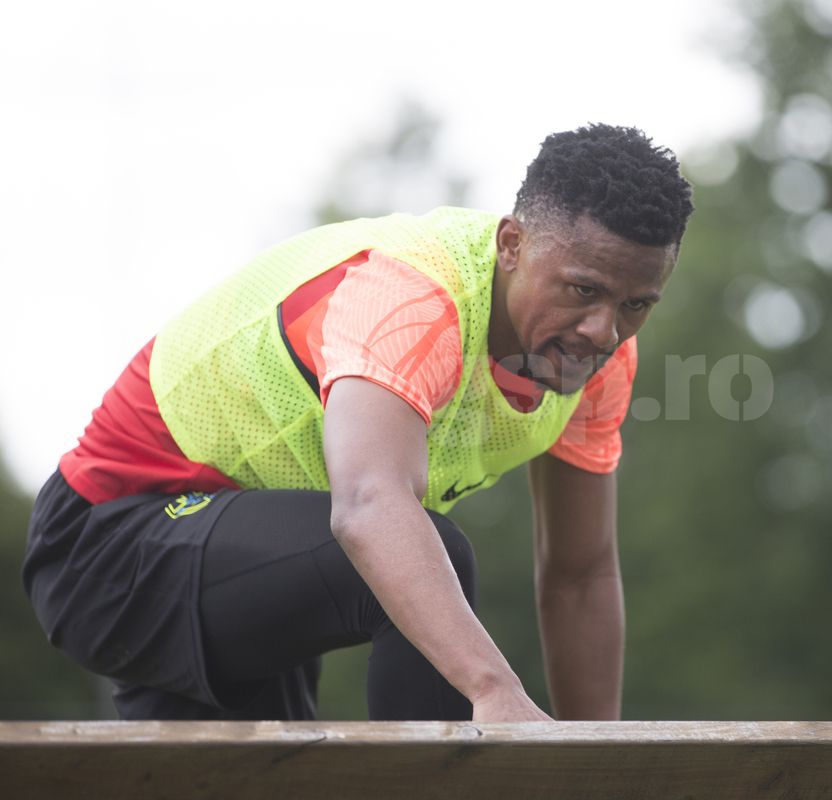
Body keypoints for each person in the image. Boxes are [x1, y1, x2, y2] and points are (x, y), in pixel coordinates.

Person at [22, 123, 694, 722]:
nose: (603, 330)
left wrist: (601, 760)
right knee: (433, 557)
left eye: (636, 304)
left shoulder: (600, 359)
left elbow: (580, 576)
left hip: (238, 554)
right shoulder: (410, 295)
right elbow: (371, 507)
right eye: (583, 290)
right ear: (512, 244)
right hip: (109, 546)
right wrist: (495, 691)